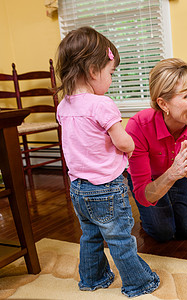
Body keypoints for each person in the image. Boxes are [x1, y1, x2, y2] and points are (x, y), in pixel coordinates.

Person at [55, 26, 159, 297]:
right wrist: (131, 145)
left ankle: (93, 279)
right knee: (119, 238)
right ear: (92, 71)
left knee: (90, 235)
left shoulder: (63, 105)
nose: (111, 80)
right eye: (111, 73)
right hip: (106, 188)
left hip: (78, 187)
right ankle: (139, 282)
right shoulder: (101, 104)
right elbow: (122, 141)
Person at [125, 58, 187, 243]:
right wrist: (171, 174)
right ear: (163, 104)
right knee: (162, 233)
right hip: (151, 180)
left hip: (185, 175)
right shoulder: (139, 126)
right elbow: (143, 195)